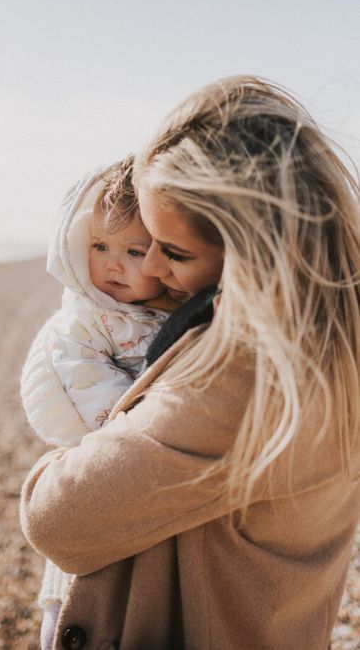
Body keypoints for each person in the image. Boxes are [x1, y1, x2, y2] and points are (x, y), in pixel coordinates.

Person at [20, 76, 360, 649]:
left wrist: (63, 461)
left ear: (255, 248)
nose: (151, 267)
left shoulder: (243, 375)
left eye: (174, 251)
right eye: (146, 241)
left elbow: (58, 520)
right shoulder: (333, 331)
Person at [20, 156, 180, 648]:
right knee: (73, 593)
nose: (113, 264)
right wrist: (124, 423)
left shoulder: (163, 312)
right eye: (99, 246)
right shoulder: (84, 320)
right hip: (103, 454)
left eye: (135, 250)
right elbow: (89, 387)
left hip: (148, 484)